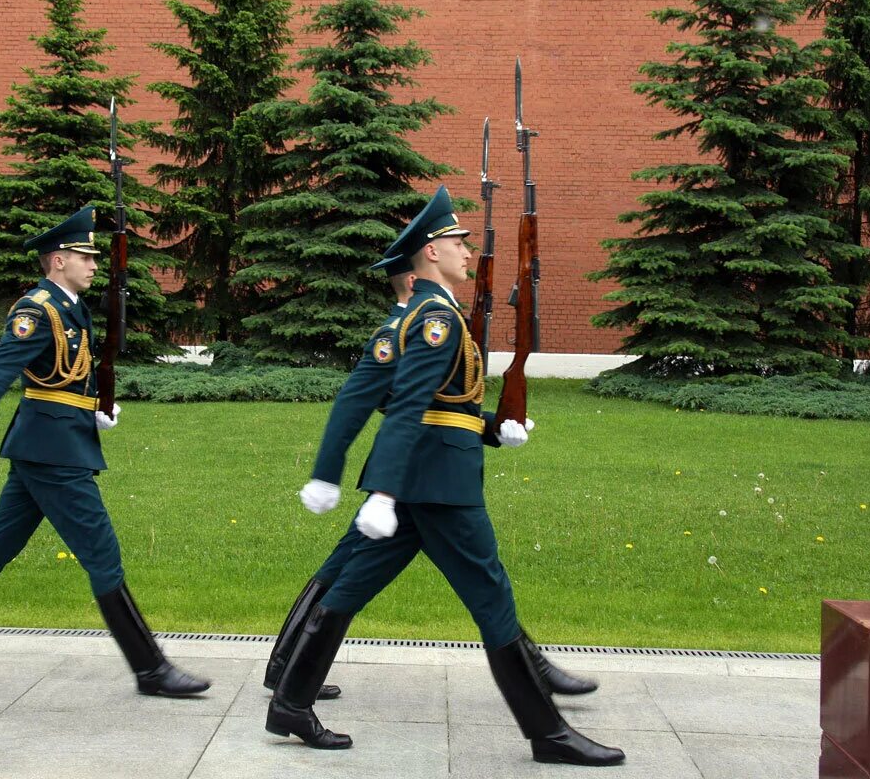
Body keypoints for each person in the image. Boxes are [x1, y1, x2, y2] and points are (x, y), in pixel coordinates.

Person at [265, 187, 624, 766]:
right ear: (431, 252)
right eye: (456, 241)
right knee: (492, 597)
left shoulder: (418, 317)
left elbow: (410, 405)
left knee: (352, 585)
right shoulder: (436, 320)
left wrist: (490, 428)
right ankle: (547, 734)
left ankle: (290, 701)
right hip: (438, 484)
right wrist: (381, 490)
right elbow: (407, 406)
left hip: (423, 476)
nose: (466, 250)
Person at [0, 206, 209, 699]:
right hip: (54, 455)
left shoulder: (70, 305)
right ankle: (150, 668)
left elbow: (71, 372)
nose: (94, 264)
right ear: (57, 261)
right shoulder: (37, 310)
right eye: (84, 256)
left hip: (52, 442)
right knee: (103, 555)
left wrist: (93, 406)